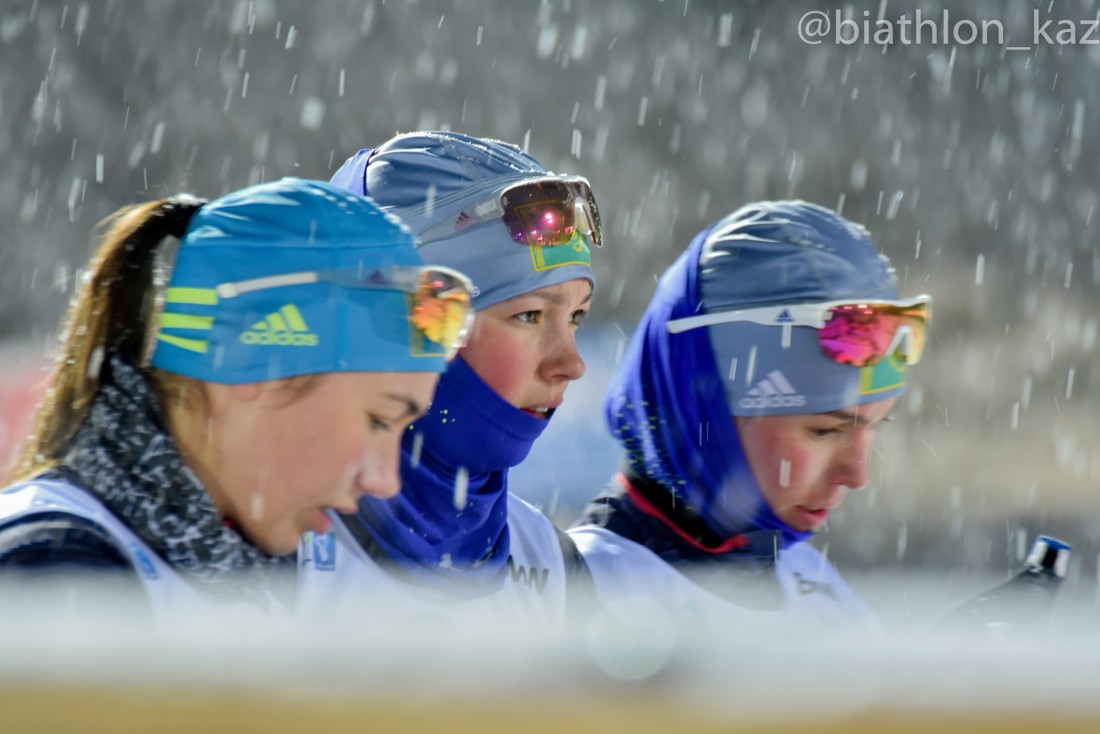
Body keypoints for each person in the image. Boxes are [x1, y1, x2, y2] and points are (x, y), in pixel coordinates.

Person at [0, 177, 473, 617]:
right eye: (378, 420)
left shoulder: (238, 564)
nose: (386, 481)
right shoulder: (52, 570)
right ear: (260, 371)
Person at [568, 200, 931, 635]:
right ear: (704, 406)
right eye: (824, 431)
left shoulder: (807, 579)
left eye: (875, 426)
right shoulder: (587, 592)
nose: (856, 475)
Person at [297, 131, 601, 628]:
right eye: (528, 316)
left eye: (576, 318)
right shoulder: (273, 535)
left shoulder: (551, 563)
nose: (570, 363)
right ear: (405, 325)